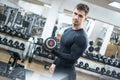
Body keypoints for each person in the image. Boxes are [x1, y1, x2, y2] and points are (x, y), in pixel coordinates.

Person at [48, 3, 89, 80]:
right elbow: (62, 50)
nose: (76, 17)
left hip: (67, 74)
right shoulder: (67, 30)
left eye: (80, 16)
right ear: (72, 13)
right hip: (58, 70)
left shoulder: (82, 37)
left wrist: (53, 51)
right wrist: (55, 63)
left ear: (85, 18)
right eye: (75, 13)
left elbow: (72, 58)